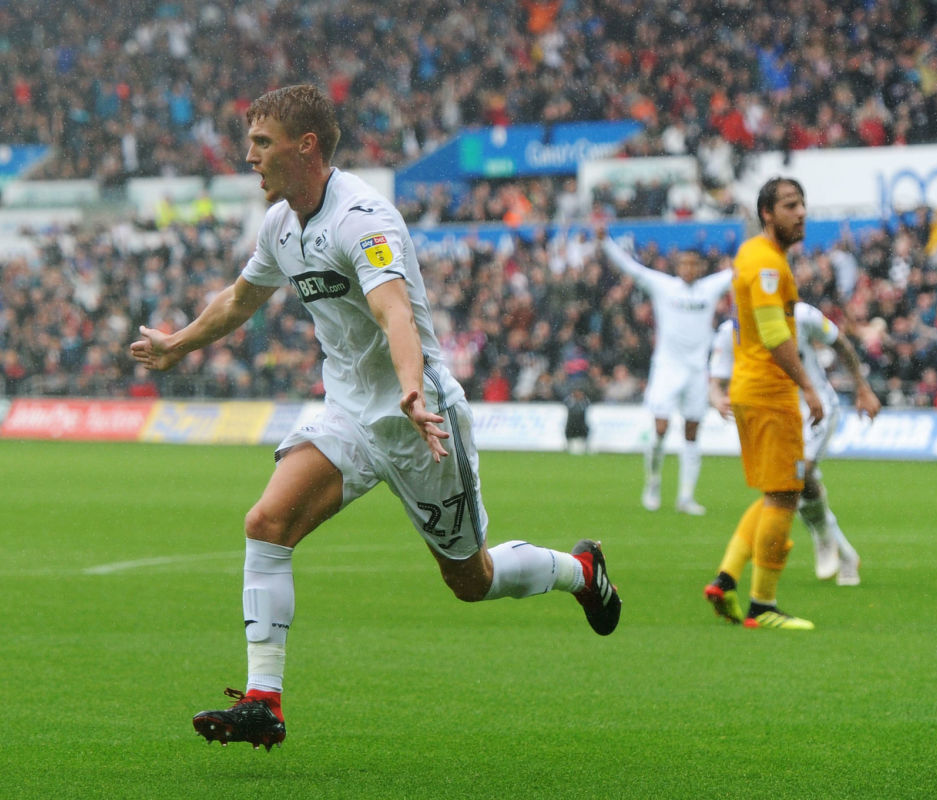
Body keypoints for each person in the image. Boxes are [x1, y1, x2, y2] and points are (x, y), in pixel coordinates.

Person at [130, 85, 621, 751]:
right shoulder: (279, 225)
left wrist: (413, 391)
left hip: (419, 419)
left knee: (470, 579)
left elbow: (394, 311)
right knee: (266, 523)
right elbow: (241, 299)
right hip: (349, 415)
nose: (249, 156)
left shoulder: (363, 219)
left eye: (263, 143)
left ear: (306, 146)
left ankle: (581, 571)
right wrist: (178, 343)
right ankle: (263, 700)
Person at [702, 176, 823, 631]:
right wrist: (808, 386)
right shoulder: (767, 263)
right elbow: (774, 334)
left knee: (776, 493)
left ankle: (725, 579)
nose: (801, 212)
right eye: (790, 205)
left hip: (750, 388)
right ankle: (762, 606)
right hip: (770, 393)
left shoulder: (752, 254)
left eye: (802, 203)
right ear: (767, 214)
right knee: (786, 494)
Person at [708, 301, 880, 587]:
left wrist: (863, 388)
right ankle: (844, 552)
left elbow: (840, 344)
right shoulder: (731, 331)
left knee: (799, 473)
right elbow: (716, 379)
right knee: (788, 484)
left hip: (816, 407)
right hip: (773, 417)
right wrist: (717, 398)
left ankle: (821, 537)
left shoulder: (801, 315)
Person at [600, 230, 732, 515]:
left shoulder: (710, 288)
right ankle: (653, 482)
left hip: (697, 371)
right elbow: (631, 268)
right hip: (667, 368)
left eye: (693, 264)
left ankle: (686, 496)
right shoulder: (663, 286)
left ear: (701, 267)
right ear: (677, 266)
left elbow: (743, 270)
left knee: (692, 432)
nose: (688, 268)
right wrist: (605, 242)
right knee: (660, 428)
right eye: (684, 263)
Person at [564, 384, 590, 454]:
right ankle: (569, 445)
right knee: (569, 429)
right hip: (571, 422)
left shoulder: (585, 401)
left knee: (585, 429)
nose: (577, 394)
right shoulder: (569, 400)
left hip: (581, 422)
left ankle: (584, 445)